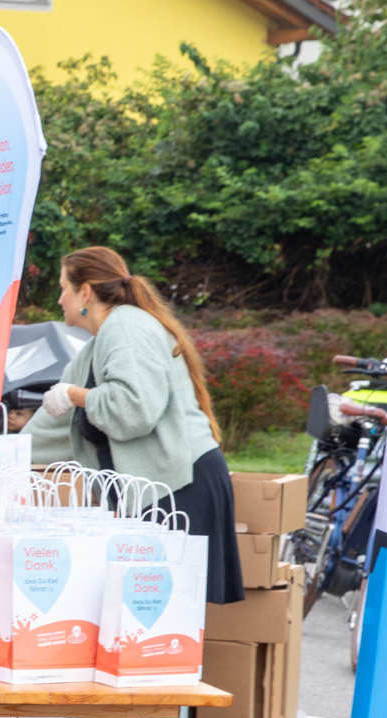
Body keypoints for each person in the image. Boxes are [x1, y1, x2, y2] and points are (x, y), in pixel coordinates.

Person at [24, 245, 245, 604]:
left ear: (86, 292)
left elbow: (132, 411)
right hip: (163, 485)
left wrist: (76, 395)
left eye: (64, 287)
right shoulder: (96, 347)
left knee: (167, 619)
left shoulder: (124, 326)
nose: (59, 298)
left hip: (181, 485)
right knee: (153, 620)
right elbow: (57, 427)